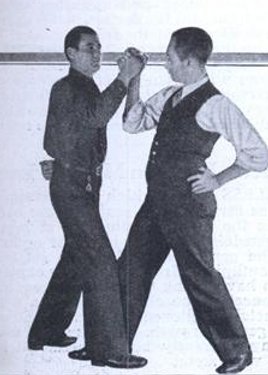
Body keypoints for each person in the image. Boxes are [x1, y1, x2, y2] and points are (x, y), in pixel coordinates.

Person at [118, 28, 268, 374]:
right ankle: (112, 345)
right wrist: (134, 80)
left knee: (199, 278)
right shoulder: (170, 95)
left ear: (188, 61)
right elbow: (132, 124)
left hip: (188, 208)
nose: (165, 61)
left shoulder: (216, 104)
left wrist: (217, 179)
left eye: (169, 55)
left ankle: (237, 352)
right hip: (156, 204)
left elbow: (258, 154)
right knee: (129, 270)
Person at [28, 25, 147, 369]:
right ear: (71, 54)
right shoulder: (67, 88)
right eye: (89, 48)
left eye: (99, 48)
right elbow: (96, 117)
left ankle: (46, 330)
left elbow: (72, 134)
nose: (97, 54)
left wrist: (130, 78)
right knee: (101, 263)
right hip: (72, 187)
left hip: (82, 184)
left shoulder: (83, 86)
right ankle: (108, 350)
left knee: (76, 258)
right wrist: (125, 77)